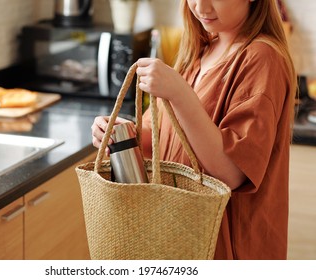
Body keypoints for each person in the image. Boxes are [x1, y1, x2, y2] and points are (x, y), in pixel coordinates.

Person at [91, 0, 297, 260]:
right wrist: (120, 135)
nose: (201, 7)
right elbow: (161, 136)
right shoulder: (201, 52)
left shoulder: (262, 58)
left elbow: (232, 173)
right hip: (180, 239)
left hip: (229, 251)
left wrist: (180, 94)